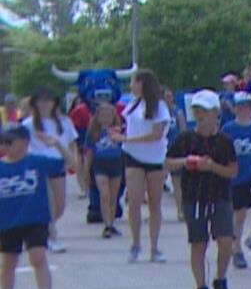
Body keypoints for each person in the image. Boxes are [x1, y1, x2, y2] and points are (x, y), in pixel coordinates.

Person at [167, 92, 239, 289]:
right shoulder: (185, 139)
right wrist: (186, 161)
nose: (200, 115)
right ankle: (201, 287)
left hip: (220, 195)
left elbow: (232, 171)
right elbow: (168, 163)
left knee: (225, 240)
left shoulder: (224, 141)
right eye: (197, 111)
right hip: (195, 195)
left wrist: (212, 167)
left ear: (215, 113)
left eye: (205, 111)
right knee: (199, 243)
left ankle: (221, 279)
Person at [0, 124, 59, 289]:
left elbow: (69, 164)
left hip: (35, 218)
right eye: (2, 142)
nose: (5, 146)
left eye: (10, 142)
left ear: (25, 142)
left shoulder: (37, 161)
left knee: (38, 256)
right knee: (8, 261)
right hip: (7, 221)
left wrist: (57, 144)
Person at [113, 70, 172, 263]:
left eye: (133, 82)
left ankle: (154, 247)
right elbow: (127, 125)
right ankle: (136, 243)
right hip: (133, 156)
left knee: (154, 203)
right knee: (135, 201)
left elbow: (156, 134)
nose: (131, 86)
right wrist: (119, 134)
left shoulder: (159, 107)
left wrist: (127, 138)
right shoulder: (132, 105)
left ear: (142, 83)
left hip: (154, 158)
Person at [24, 89, 79, 253]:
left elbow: (72, 143)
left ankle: (40, 229)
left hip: (58, 162)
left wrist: (72, 160)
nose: (45, 104)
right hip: (37, 163)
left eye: (48, 101)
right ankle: (52, 238)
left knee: (60, 204)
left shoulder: (64, 122)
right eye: (41, 101)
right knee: (46, 203)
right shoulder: (28, 124)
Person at [222, 92, 251, 268]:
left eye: (247, 106)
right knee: (239, 213)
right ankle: (236, 249)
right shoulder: (228, 129)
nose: (244, 110)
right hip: (238, 175)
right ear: (234, 109)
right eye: (240, 106)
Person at [86, 102, 126, 240]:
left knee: (113, 197)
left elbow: (125, 148)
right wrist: (86, 171)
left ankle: (112, 223)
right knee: (104, 194)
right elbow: (89, 153)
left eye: (108, 115)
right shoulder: (93, 132)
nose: (105, 118)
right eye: (102, 115)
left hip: (115, 164)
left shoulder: (118, 131)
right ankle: (107, 224)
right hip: (100, 164)